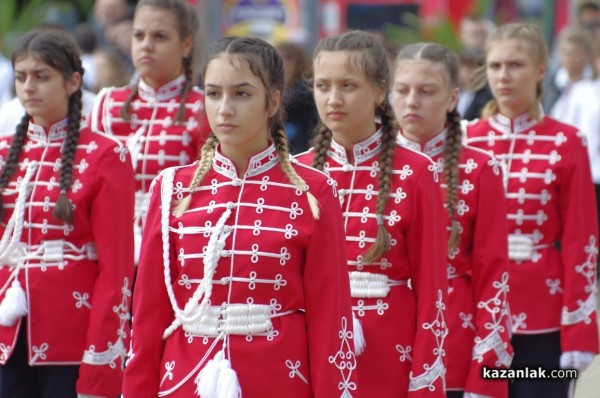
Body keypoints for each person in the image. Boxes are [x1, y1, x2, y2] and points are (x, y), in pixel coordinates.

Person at [122, 36, 357, 397]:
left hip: (278, 379)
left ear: (273, 101)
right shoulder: (171, 189)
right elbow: (148, 316)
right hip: (185, 379)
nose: (224, 108)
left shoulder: (314, 191)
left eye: (242, 94)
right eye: (213, 94)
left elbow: (330, 317)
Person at [295, 30, 448, 397]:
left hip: (389, 351)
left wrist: (425, 376)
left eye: (348, 85)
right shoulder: (295, 173)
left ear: (381, 92)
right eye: (322, 85)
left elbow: (433, 291)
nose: (333, 98)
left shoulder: (416, 173)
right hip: (309, 349)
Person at [465, 23, 599, 398]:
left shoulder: (566, 142)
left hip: (545, 315)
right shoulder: (467, 141)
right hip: (477, 313)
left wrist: (580, 327)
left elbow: (582, 241)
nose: (503, 75)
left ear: (541, 69)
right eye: (495, 66)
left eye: (516, 64)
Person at [0, 28, 135, 397]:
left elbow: (117, 268)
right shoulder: (3, 152)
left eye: (42, 77)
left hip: (72, 333)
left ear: (73, 81)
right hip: (7, 334)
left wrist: (101, 351)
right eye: (22, 77)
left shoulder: (107, 155)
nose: (29, 87)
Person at [392, 42, 513, 398]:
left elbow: (494, 274)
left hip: (453, 343)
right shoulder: (364, 167)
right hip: (377, 344)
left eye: (427, 91)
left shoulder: (479, 167)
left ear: (451, 98)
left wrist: (486, 371)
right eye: (402, 90)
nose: (412, 101)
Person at [89, 0, 210, 263]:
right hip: (110, 252)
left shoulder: (204, 107)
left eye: (160, 36)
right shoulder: (106, 104)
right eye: (139, 35)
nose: (146, 45)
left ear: (186, 45)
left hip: (175, 252)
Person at [275, 41, 319, 155]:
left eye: (287, 57)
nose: (283, 63)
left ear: (299, 62)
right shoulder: (270, 94)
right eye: (277, 58)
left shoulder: (307, 94)